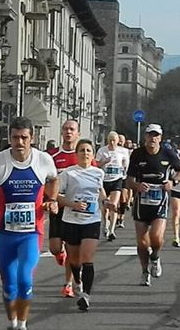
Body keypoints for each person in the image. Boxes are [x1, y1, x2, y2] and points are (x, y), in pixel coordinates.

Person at [0, 116, 58, 330]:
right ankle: (11, 324)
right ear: (9, 138)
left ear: (32, 138)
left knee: (25, 280)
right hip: (5, 233)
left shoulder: (43, 160)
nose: (19, 142)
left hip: (31, 233)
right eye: (15, 137)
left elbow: (54, 179)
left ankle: (22, 328)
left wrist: (51, 200)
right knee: (8, 286)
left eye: (24, 137)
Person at [57, 139, 115, 311]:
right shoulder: (68, 173)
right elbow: (57, 196)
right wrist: (72, 204)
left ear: (93, 154)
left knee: (87, 258)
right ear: (77, 154)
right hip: (71, 220)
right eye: (82, 150)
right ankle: (77, 281)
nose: (85, 153)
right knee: (74, 260)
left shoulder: (98, 173)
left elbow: (100, 190)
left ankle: (86, 296)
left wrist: (106, 201)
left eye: (88, 150)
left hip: (91, 220)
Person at [126, 124, 180, 287]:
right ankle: (145, 272)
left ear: (160, 138)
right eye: (150, 135)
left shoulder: (167, 153)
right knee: (142, 243)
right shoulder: (137, 154)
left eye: (156, 135)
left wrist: (173, 182)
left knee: (156, 238)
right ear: (145, 137)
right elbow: (129, 179)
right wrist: (137, 186)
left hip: (160, 201)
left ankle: (155, 257)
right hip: (142, 203)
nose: (152, 138)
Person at [47, 119, 82, 298]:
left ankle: (68, 284)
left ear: (78, 134)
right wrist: (49, 199)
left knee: (70, 248)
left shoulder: (83, 156)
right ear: (61, 132)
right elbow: (45, 180)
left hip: (75, 210)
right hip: (57, 207)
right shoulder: (52, 156)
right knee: (54, 248)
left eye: (72, 129)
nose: (69, 132)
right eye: (66, 129)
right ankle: (59, 254)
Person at [95, 131, 128, 241]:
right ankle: (105, 224)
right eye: (110, 140)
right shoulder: (102, 151)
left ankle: (112, 230)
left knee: (113, 205)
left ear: (118, 141)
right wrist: (104, 161)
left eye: (114, 140)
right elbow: (96, 165)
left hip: (116, 180)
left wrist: (124, 168)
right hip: (104, 181)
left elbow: (126, 164)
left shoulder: (123, 151)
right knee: (106, 206)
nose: (112, 143)